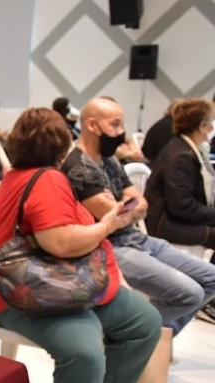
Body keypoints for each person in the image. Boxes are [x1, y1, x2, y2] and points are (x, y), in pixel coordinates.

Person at [0, 107, 161, 383]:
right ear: (60, 144)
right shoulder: (47, 179)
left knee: (145, 322)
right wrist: (109, 224)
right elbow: (60, 242)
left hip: (65, 284)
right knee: (85, 353)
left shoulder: (30, 176)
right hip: (31, 295)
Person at [62, 97, 215, 336]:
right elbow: (112, 216)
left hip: (137, 239)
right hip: (109, 248)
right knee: (190, 294)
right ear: (92, 125)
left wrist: (123, 210)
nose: (121, 132)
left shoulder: (109, 160)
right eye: (115, 124)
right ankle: (133, 334)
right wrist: (126, 208)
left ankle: (147, 336)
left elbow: (142, 204)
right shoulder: (78, 166)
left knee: (211, 278)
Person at [143, 98, 215, 322]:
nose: (212, 127)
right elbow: (181, 206)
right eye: (210, 121)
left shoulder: (187, 150)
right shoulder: (181, 155)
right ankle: (208, 300)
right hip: (166, 224)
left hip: (174, 218)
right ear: (201, 125)